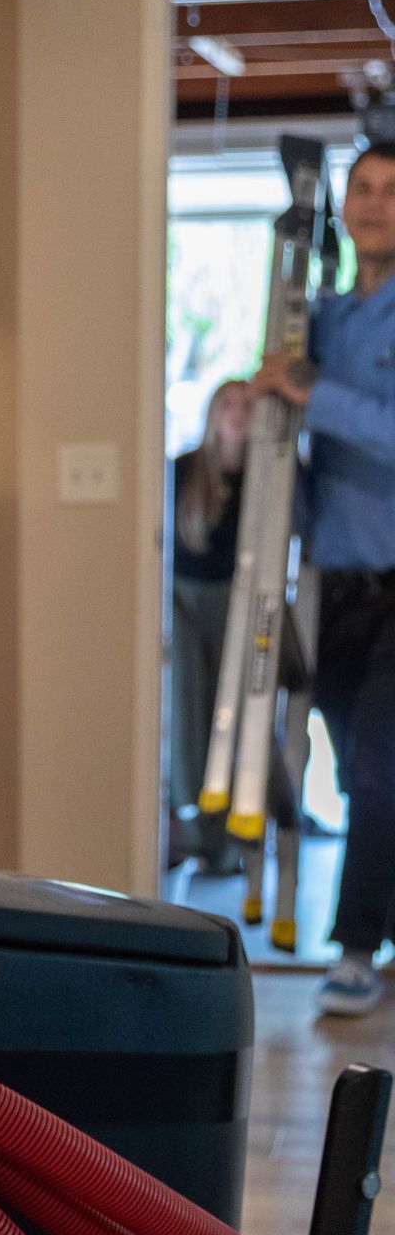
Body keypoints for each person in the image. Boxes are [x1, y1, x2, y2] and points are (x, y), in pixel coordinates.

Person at [252, 140, 395, 1015]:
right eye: (364, 189)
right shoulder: (328, 321)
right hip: (336, 583)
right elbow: (309, 455)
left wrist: (314, 392)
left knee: (379, 766)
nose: (376, 202)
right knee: (357, 776)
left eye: (392, 190)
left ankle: (353, 947)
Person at [168, 378, 253, 875]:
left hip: (234, 602)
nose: (238, 413)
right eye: (229, 403)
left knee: (233, 722)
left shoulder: (268, 480)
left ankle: (228, 845)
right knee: (187, 716)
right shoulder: (183, 472)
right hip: (183, 600)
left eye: (247, 405)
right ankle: (191, 833)